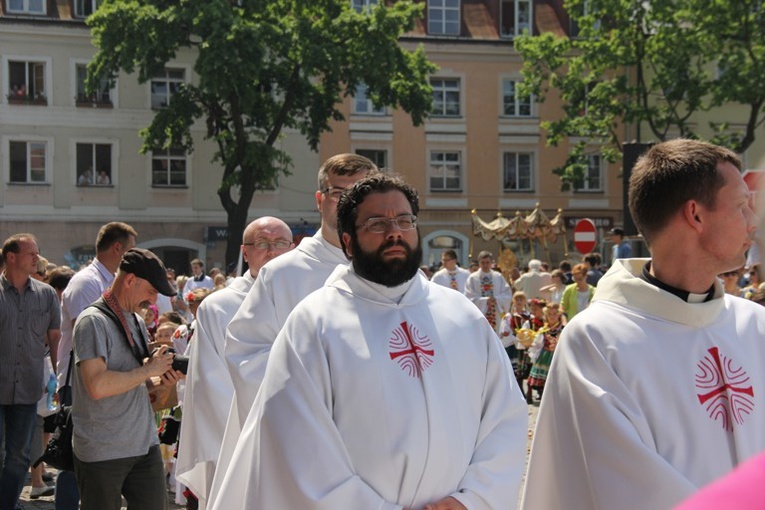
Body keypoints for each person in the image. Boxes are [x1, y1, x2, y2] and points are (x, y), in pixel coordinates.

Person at [211, 173, 527, 510]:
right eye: (377, 223)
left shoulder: (461, 316)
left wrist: (474, 499)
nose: (394, 232)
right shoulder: (315, 323)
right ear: (348, 242)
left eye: (404, 220)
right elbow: (297, 443)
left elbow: (504, 416)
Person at [521, 139, 765, 509]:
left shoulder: (756, 326)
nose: (754, 220)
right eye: (741, 206)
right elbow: (627, 489)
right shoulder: (597, 342)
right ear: (696, 215)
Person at [210, 154, 377, 503]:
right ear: (319, 200)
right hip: (303, 443)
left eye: (361, 193)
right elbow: (247, 355)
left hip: (375, 441)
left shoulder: (388, 271)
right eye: (338, 193)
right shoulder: (282, 274)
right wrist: (318, 399)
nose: (350, 203)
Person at [176, 217, 293, 510]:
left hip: (299, 441)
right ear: (245, 251)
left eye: (280, 243)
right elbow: (211, 386)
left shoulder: (309, 301)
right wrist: (264, 431)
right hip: (240, 441)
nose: (272, 251)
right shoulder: (218, 307)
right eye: (262, 244)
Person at [71, 248, 182, 510]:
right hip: (103, 449)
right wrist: (148, 371)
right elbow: (97, 386)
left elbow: (138, 385)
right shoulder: (92, 321)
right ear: (130, 280)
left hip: (143, 444)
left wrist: (161, 381)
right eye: (151, 291)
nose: (153, 300)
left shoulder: (136, 320)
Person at [55, 221, 137, 510]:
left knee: (95, 453)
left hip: (105, 380)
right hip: (80, 382)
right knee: (73, 454)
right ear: (117, 248)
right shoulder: (86, 282)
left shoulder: (106, 281)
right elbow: (85, 336)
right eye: (130, 251)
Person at [0, 234, 61, 510]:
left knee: (18, 457)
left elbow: (54, 337)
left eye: (37, 253)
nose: (37, 258)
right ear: (11, 257)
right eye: (31, 254)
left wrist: (56, 377)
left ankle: (8, 504)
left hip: (27, 387)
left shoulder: (47, 295)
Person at [464, 250, 512, 332]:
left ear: (491, 263)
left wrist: (496, 299)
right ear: (479, 263)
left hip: (496, 313)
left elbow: (507, 293)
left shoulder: (498, 276)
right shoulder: (473, 278)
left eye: (487, 262)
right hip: (480, 314)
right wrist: (485, 301)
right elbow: (468, 297)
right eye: (483, 262)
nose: (485, 265)